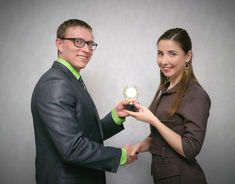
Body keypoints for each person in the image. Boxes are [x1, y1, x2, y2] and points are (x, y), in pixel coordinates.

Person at [31, 19, 137, 184]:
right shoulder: (55, 84)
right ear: (59, 44)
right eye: (78, 42)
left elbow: (84, 134)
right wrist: (120, 156)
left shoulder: (70, 79)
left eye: (90, 44)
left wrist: (115, 117)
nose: (86, 49)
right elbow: (72, 147)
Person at [127, 28, 211, 184]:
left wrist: (153, 120)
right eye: (160, 53)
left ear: (188, 56)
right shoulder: (165, 89)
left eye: (172, 54)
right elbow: (161, 137)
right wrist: (137, 147)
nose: (164, 61)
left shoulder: (196, 95)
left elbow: (190, 149)